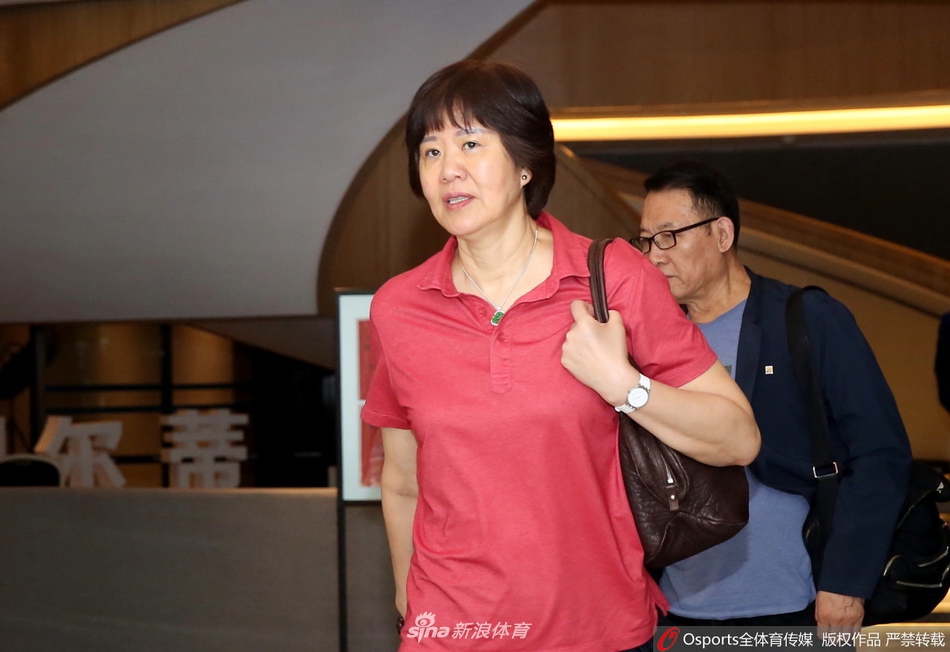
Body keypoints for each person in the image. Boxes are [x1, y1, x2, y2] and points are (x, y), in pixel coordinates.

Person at [361, 61, 760, 652]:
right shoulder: (399, 306)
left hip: (593, 628)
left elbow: (738, 438)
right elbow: (402, 483)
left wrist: (624, 386)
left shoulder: (612, 278)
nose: (448, 169)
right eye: (430, 152)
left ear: (526, 163)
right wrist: (411, 609)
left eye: (470, 143)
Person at [635, 160, 912, 628]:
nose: (653, 256)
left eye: (668, 236)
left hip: (801, 601)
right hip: (675, 607)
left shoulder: (807, 318)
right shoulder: (648, 341)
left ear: (722, 234)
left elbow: (880, 452)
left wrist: (846, 581)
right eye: (644, 240)